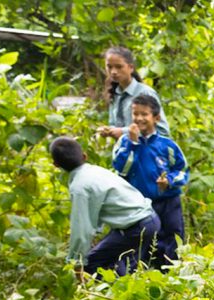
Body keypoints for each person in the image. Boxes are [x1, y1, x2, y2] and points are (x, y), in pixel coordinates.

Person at [48, 136, 160, 278]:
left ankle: (108, 296)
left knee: (91, 264)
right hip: (150, 219)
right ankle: (127, 292)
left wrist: (77, 263)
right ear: (84, 156)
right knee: (121, 265)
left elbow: (82, 230)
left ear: (56, 164)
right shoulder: (95, 171)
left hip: (136, 228)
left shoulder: (79, 187)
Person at [111, 95, 189, 270]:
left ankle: (171, 277)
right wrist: (133, 143)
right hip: (138, 205)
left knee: (172, 242)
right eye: (135, 113)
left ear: (156, 118)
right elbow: (121, 169)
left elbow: (182, 170)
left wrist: (168, 181)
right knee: (140, 244)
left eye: (144, 114)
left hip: (168, 203)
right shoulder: (124, 143)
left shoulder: (167, 145)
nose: (139, 118)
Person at [95, 46, 169, 140]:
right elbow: (115, 125)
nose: (113, 72)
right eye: (109, 67)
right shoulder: (115, 94)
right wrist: (109, 131)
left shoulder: (145, 93)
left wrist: (124, 132)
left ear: (130, 68)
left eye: (119, 67)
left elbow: (163, 131)